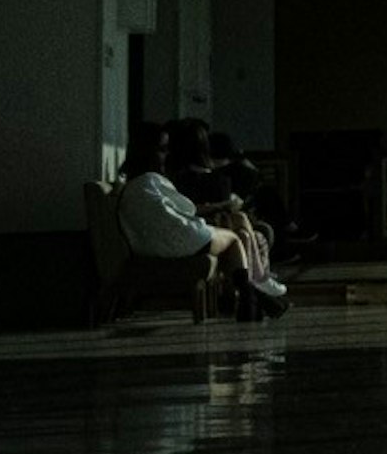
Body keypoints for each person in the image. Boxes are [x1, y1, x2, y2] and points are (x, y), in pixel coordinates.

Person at [113, 125, 274, 321]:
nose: (167, 154)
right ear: (149, 152)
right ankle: (251, 295)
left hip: (151, 245)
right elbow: (187, 209)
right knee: (234, 239)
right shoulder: (153, 181)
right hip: (181, 241)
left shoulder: (132, 186)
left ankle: (252, 295)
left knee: (234, 231)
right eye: (163, 149)